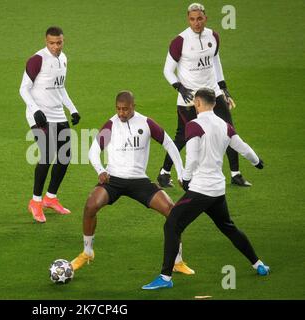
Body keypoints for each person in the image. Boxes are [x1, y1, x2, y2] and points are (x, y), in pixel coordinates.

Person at [142, 88, 269, 290]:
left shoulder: (194, 125)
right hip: (217, 190)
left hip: (201, 190)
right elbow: (242, 146)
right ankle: (259, 264)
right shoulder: (224, 125)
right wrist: (257, 162)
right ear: (215, 103)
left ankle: (165, 278)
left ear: (198, 103)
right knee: (229, 227)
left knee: (172, 224)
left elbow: (191, 157)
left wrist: (185, 177)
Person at [71, 90, 195, 275]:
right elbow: (93, 151)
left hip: (139, 180)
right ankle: (87, 252)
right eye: (119, 109)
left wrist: (180, 172)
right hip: (113, 179)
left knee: (172, 212)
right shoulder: (111, 124)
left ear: (133, 107)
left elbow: (169, 143)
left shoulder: (146, 123)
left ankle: (177, 261)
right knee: (90, 206)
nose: (121, 113)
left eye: (125, 109)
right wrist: (101, 171)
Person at [157, 2, 251, 188]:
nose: (196, 22)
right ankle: (164, 173)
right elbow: (167, 70)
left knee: (228, 131)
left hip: (213, 93)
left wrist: (223, 87)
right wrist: (180, 88)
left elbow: (216, 61)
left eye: (199, 18)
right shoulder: (180, 41)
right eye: (192, 19)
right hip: (191, 98)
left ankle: (236, 174)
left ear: (205, 18)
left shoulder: (213, 36)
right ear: (188, 19)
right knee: (183, 136)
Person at [19, 26, 81, 223]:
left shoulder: (63, 59)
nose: (55, 47)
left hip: (57, 114)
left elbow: (61, 88)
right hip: (38, 114)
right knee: (47, 154)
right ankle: (35, 202)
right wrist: (35, 110)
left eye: (59, 43)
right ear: (46, 42)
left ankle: (50, 198)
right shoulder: (37, 59)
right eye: (51, 43)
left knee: (65, 156)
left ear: (64, 41)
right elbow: (23, 89)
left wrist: (73, 109)